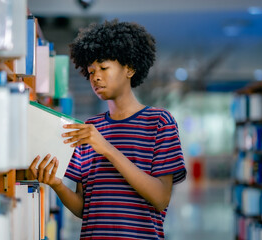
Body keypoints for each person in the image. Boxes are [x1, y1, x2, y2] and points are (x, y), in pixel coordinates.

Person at [29, 19, 187, 240]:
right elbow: (85, 210)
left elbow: (160, 198)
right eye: (91, 71)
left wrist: (107, 149)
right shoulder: (89, 130)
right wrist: (57, 185)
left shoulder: (160, 122)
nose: (96, 77)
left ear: (129, 68)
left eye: (104, 68)